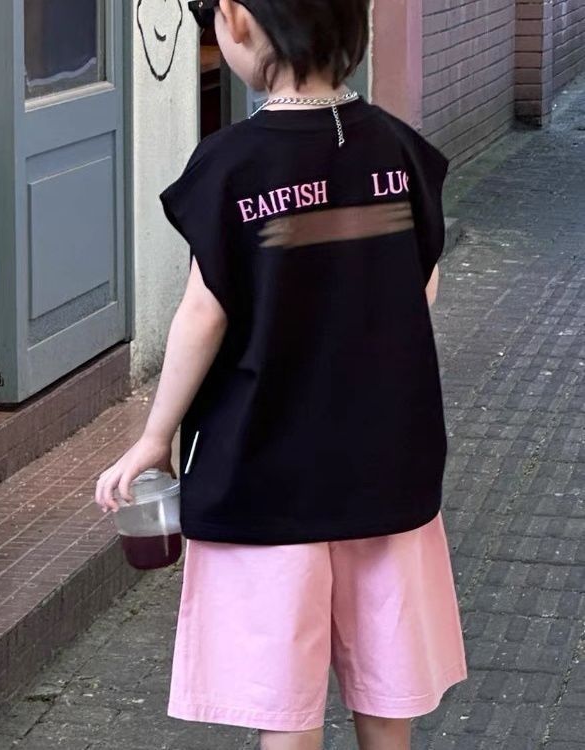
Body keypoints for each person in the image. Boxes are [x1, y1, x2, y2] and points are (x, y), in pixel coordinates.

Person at [95, 1, 468, 748]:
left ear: (237, 20)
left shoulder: (232, 164)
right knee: (388, 699)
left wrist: (155, 438)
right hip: (387, 465)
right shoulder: (398, 149)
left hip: (265, 472)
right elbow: (420, 289)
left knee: (285, 711)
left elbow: (203, 316)